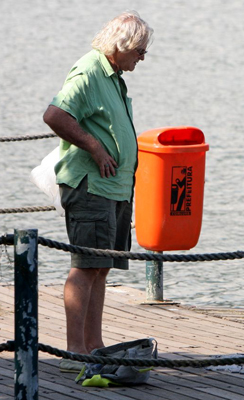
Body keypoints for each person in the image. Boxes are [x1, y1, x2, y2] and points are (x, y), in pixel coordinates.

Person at [42, 11, 153, 372]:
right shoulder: (90, 70)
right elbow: (55, 115)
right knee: (85, 266)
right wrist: (95, 148)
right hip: (91, 186)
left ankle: (94, 345)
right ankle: (76, 350)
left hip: (115, 189)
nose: (142, 57)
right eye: (139, 50)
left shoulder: (115, 76)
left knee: (101, 267)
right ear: (122, 45)